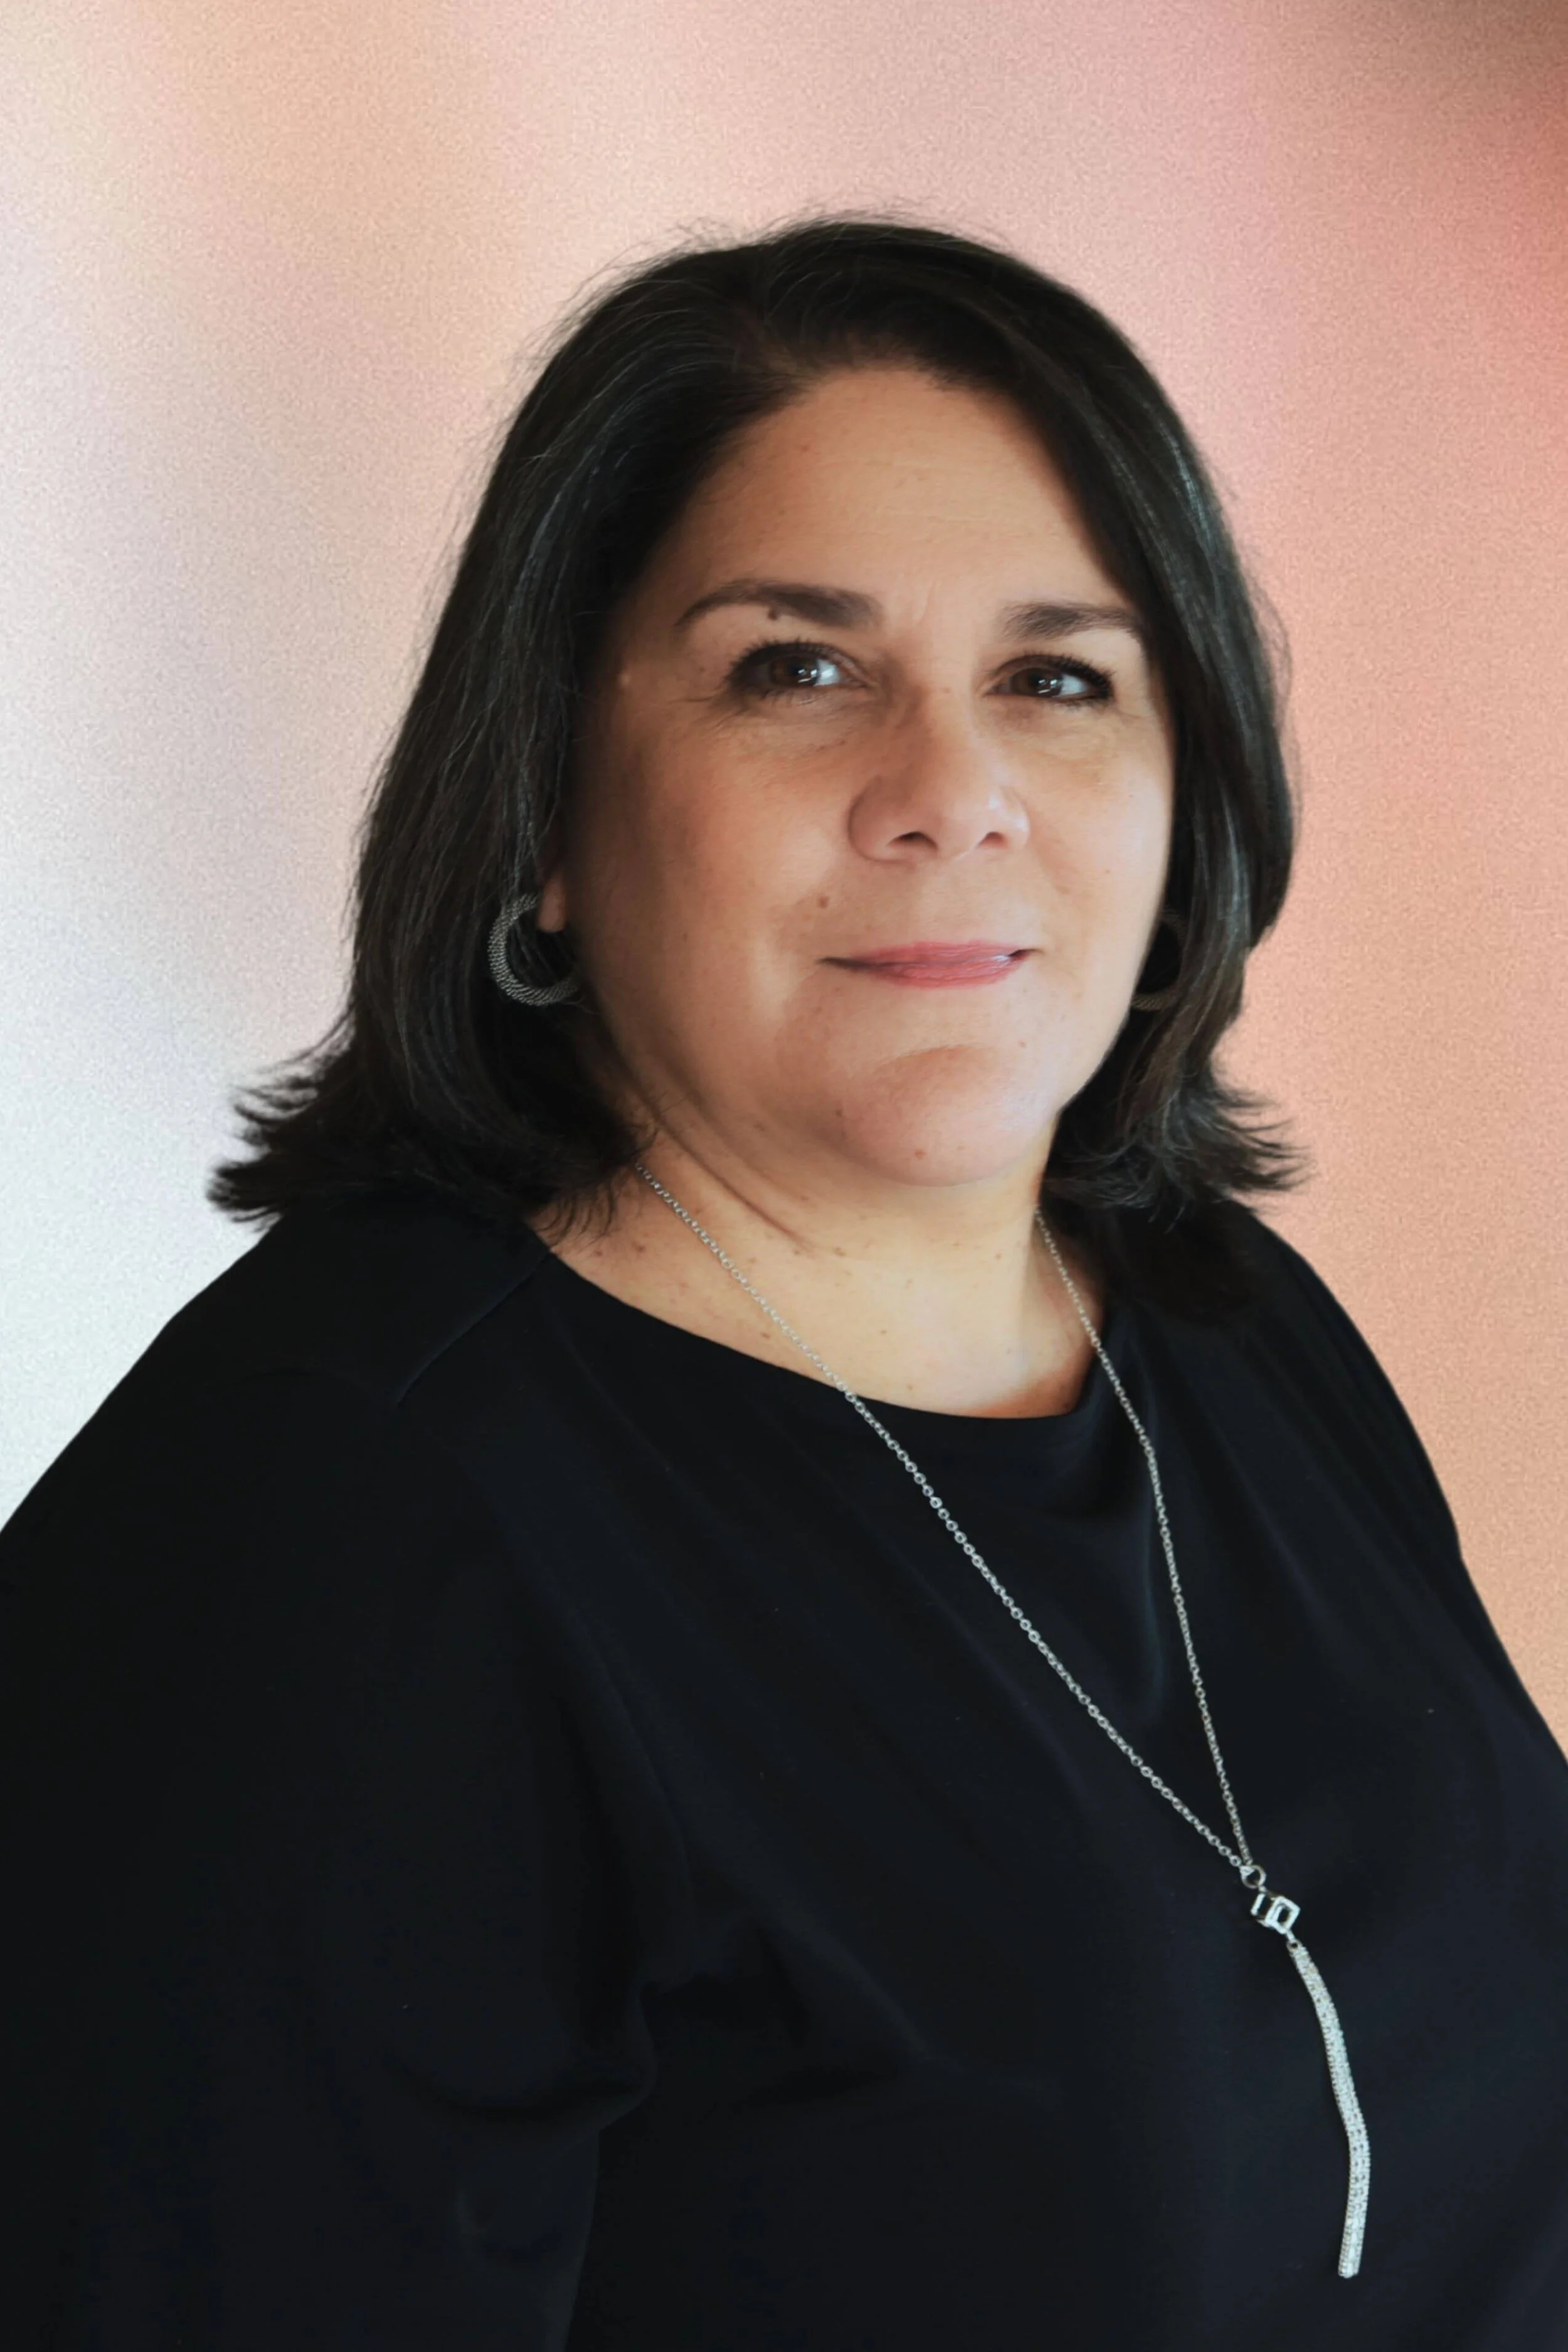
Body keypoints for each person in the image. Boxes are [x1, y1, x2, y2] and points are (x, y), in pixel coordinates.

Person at [4, 215, 1566, 2352]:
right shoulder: (328, 1517)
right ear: (546, 798)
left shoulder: (1223, 1328)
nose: (950, 794)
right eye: (795, 668)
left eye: (1056, 676)